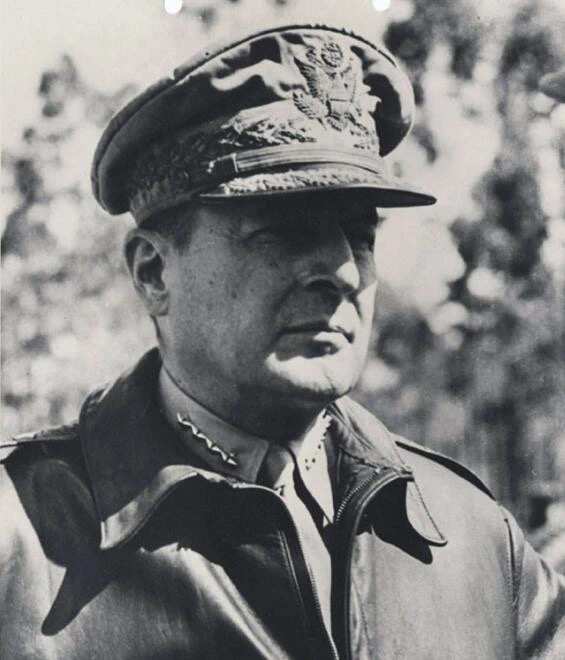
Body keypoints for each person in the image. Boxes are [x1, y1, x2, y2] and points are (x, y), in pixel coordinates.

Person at [1, 24, 564, 660]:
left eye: (360, 236)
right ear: (153, 272)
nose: (344, 273)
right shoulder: (18, 543)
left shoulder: (475, 541)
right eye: (284, 231)